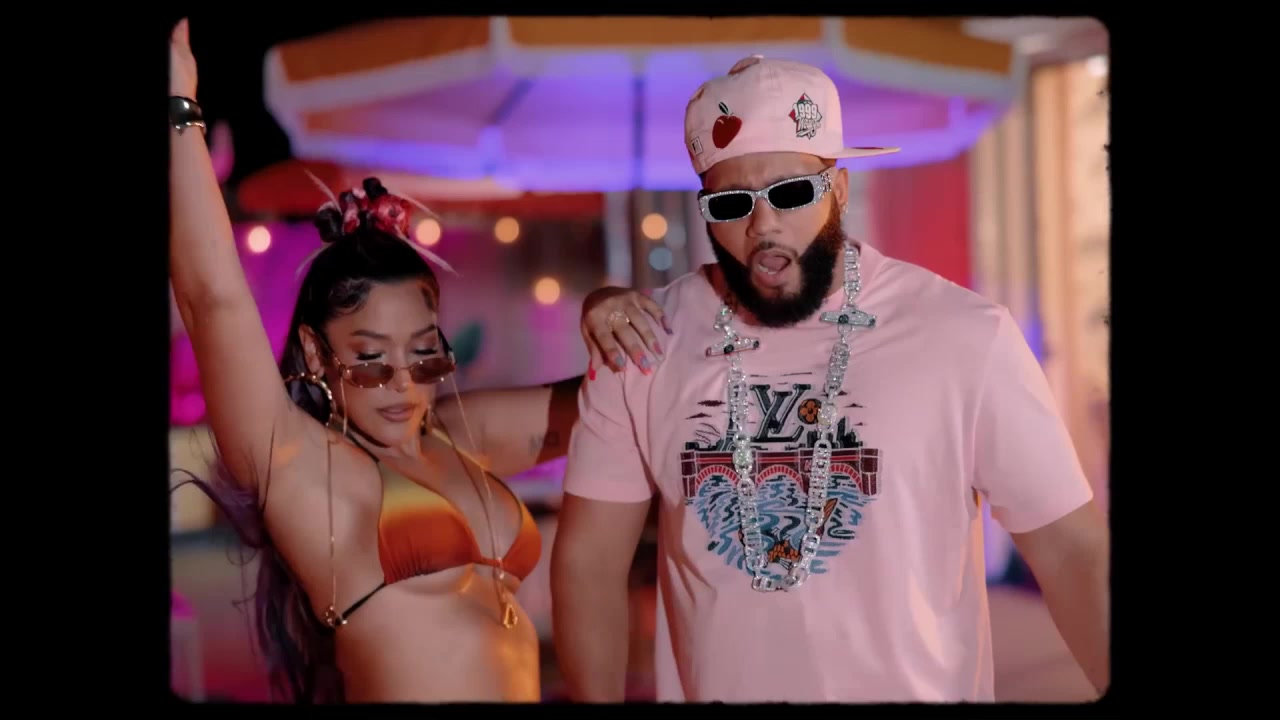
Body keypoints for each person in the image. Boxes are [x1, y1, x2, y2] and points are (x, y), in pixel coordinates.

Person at [552, 55, 1109, 703]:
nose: (763, 226)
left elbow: (1070, 550)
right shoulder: (642, 341)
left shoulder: (964, 335)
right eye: (732, 203)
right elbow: (589, 564)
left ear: (839, 189)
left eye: (791, 193)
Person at [168, 20, 655, 703]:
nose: (403, 383)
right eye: (371, 360)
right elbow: (212, 300)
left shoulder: (456, 437)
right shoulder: (308, 472)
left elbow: (620, 394)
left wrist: (606, 307)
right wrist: (179, 110)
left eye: (424, 354)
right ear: (317, 352)